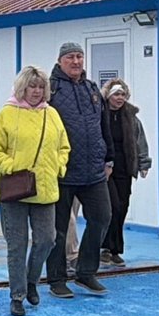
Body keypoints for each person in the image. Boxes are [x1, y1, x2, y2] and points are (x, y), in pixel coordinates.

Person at [0, 66, 69, 316]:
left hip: (45, 189)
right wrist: (12, 167)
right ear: (22, 88)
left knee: (47, 240)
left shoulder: (52, 115)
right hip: (15, 190)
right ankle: (17, 295)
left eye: (41, 86)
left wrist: (58, 167)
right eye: (32, 86)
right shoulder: (7, 114)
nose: (36, 91)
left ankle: (32, 280)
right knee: (17, 245)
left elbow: (64, 146)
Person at [46, 42, 114, 298]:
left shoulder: (92, 89)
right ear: (60, 60)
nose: (76, 61)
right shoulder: (50, 89)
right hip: (62, 171)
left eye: (79, 56)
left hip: (93, 171)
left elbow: (103, 126)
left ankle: (85, 273)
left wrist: (109, 159)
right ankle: (56, 279)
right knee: (59, 228)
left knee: (102, 217)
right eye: (70, 57)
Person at [100, 78, 151, 267]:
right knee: (112, 207)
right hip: (104, 169)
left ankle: (114, 250)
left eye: (123, 94)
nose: (120, 98)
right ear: (108, 96)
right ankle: (104, 247)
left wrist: (144, 163)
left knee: (122, 208)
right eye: (116, 94)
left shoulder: (130, 117)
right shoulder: (100, 114)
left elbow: (140, 140)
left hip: (124, 168)